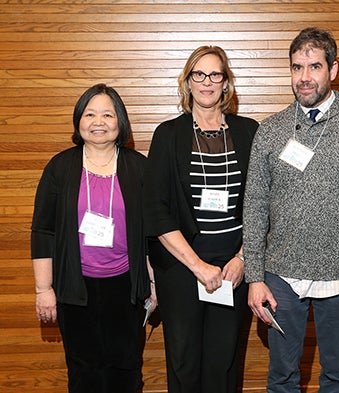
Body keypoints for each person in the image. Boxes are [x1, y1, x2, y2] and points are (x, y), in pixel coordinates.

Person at [243, 27, 339, 393]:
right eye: (297, 68)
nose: (304, 77)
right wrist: (254, 276)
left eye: (314, 67)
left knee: (338, 378)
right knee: (281, 378)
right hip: (280, 276)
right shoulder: (271, 130)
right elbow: (254, 206)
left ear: (333, 70)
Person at [143, 45, 259, 393]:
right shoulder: (168, 134)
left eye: (215, 74)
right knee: (184, 359)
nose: (207, 82)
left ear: (226, 82)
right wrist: (197, 266)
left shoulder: (248, 132)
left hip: (232, 269)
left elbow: (263, 203)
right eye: (199, 74)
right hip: (180, 267)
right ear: (188, 81)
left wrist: (241, 259)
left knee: (223, 361)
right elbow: (156, 210)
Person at [31, 83, 157, 393]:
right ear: (78, 121)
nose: (98, 122)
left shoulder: (139, 167)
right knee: (83, 370)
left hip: (126, 286)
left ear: (120, 122)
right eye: (89, 114)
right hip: (75, 287)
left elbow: (152, 233)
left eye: (107, 114)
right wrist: (43, 289)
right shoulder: (60, 168)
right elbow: (43, 231)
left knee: (125, 367)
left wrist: (153, 284)